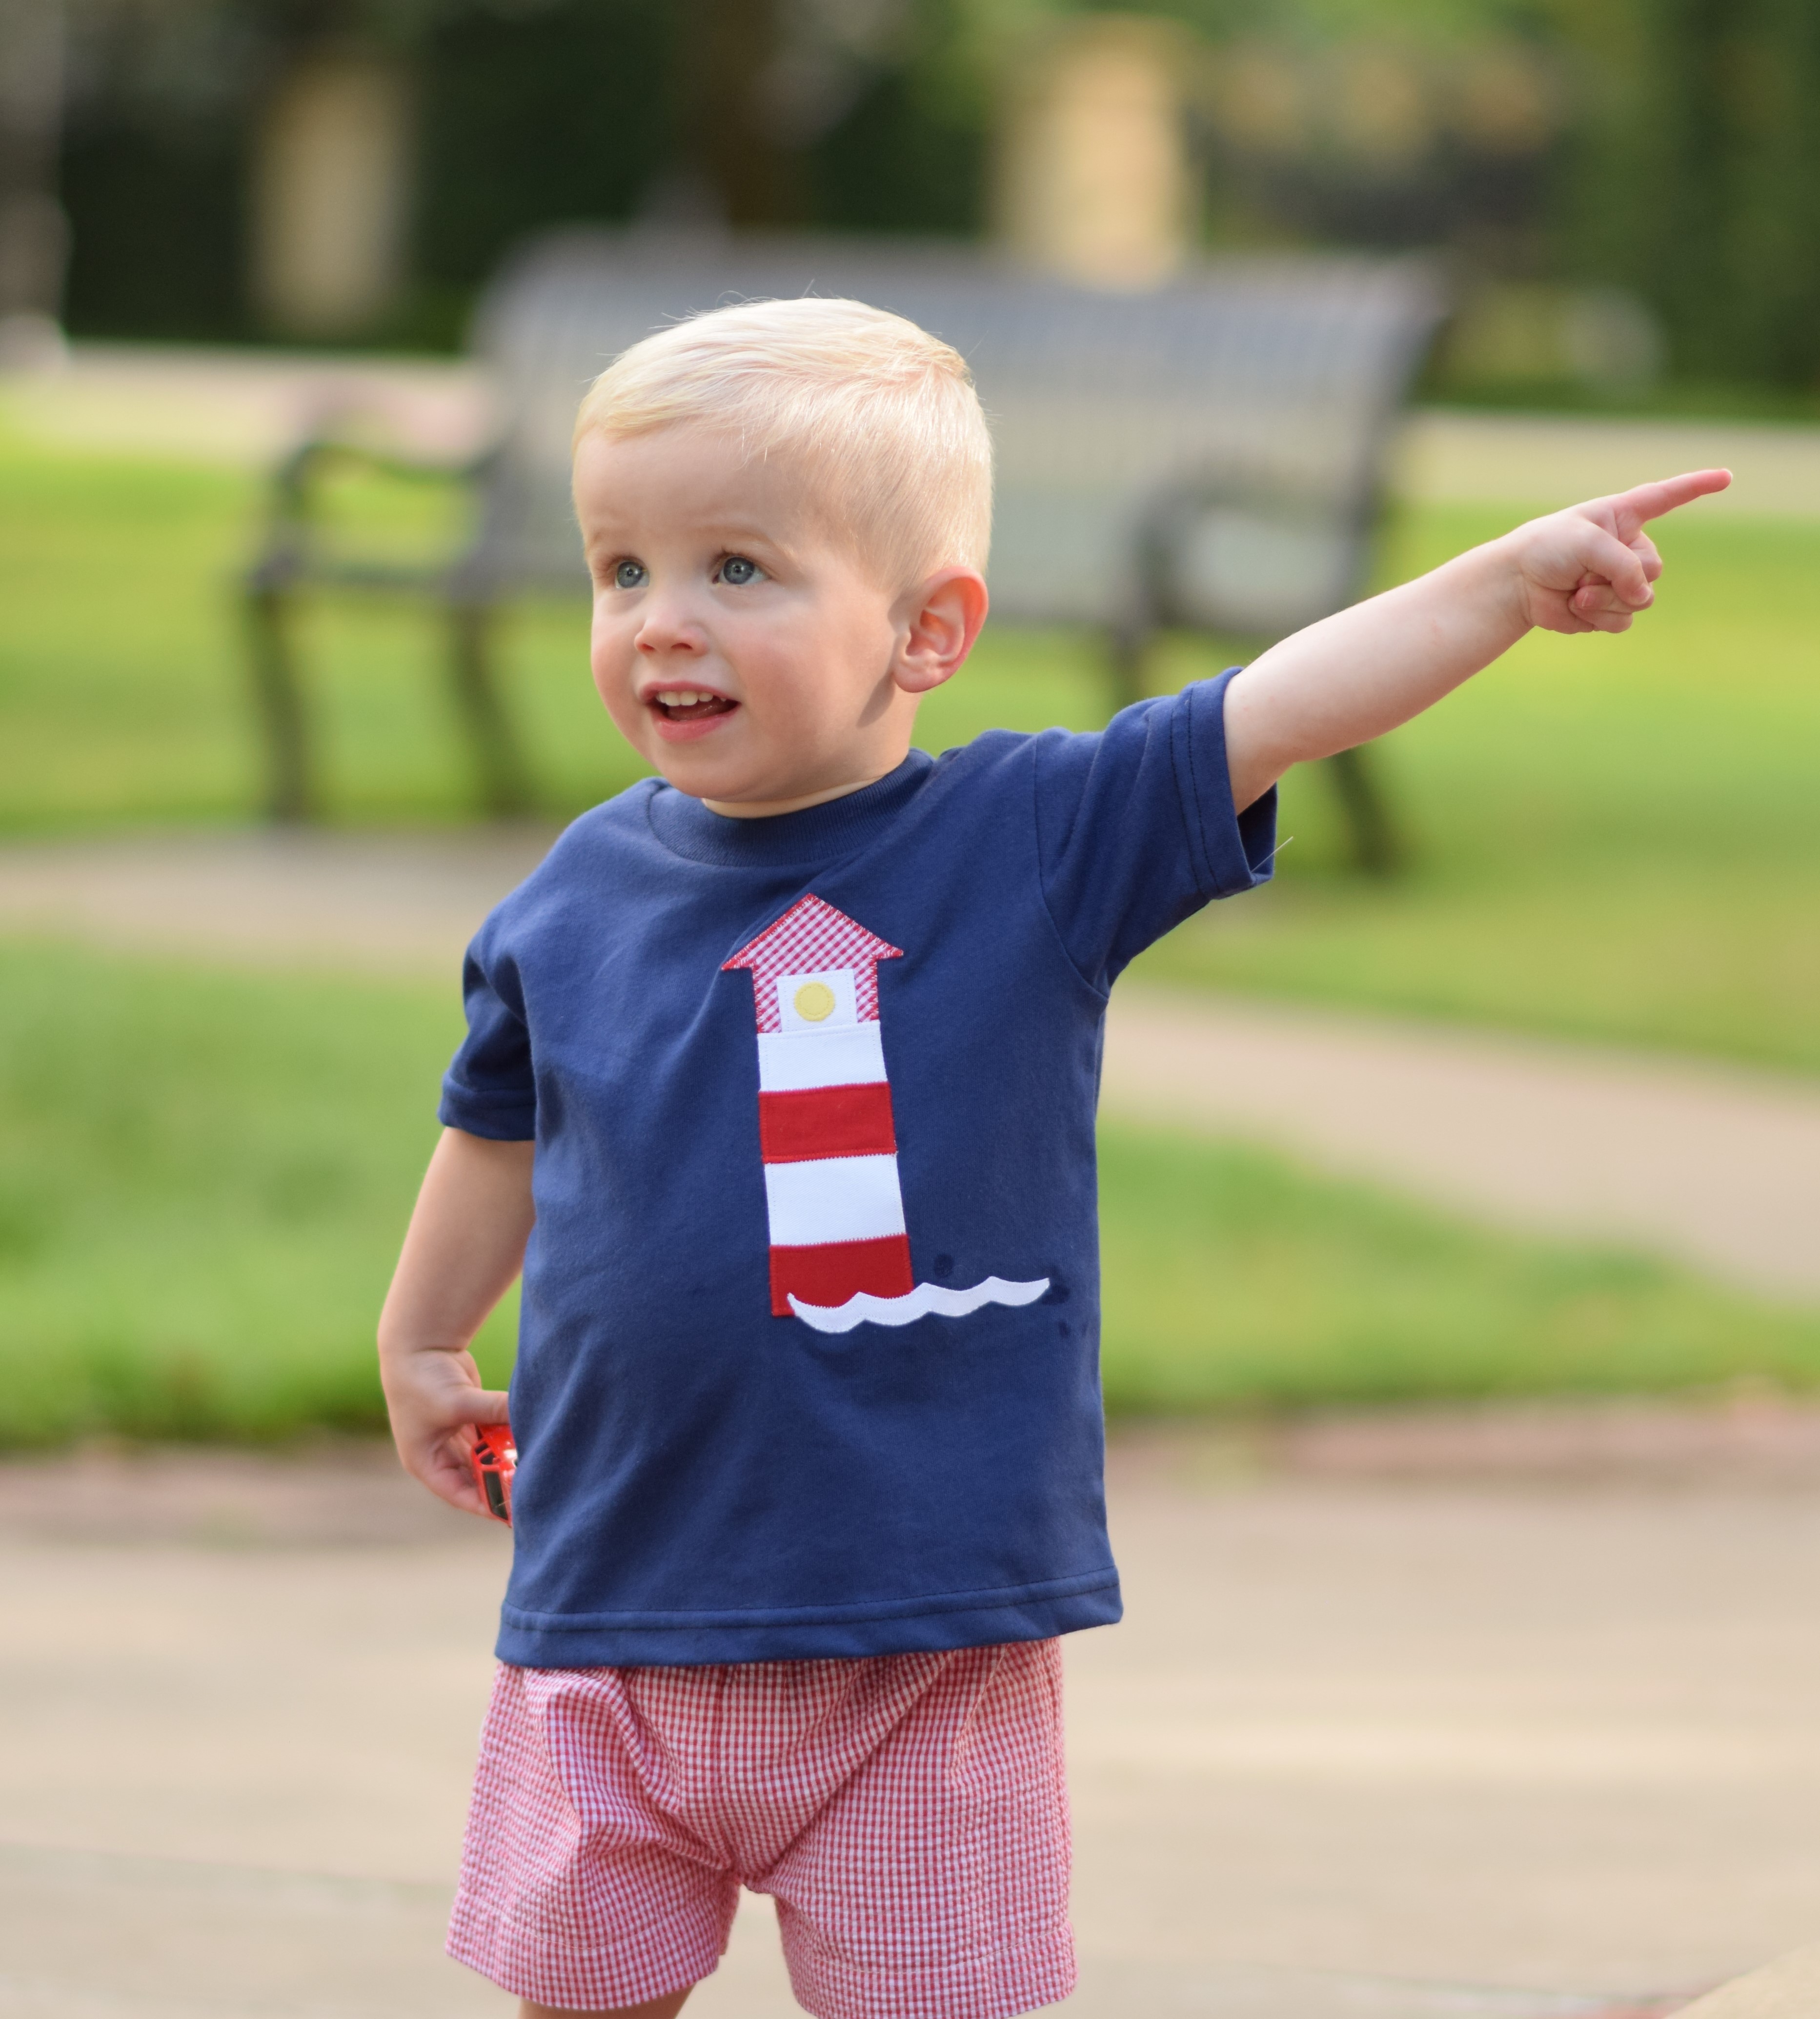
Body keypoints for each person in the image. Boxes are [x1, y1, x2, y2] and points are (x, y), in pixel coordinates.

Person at [376, 296, 1729, 2019]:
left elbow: (1277, 708)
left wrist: (1497, 585)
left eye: (737, 568)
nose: (660, 622)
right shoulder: (569, 892)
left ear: (926, 630)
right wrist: (422, 1337)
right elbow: (500, 1123)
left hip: (922, 1637)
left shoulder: (1027, 839)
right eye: (619, 568)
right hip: (611, 1606)